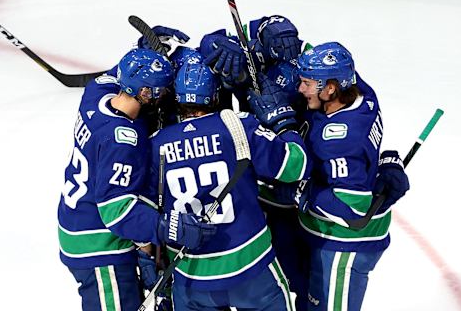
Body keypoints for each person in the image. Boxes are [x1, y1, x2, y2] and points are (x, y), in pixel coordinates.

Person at [141, 61, 312, 310]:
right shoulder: (238, 125)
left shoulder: (155, 144)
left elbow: (146, 209)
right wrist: (283, 122)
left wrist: (147, 256)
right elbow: (295, 166)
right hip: (251, 269)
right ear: (215, 96)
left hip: (191, 278)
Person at [57, 48, 216, 311]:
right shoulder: (122, 141)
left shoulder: (95, 95)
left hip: (76, 223)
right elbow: (117, 211)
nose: (166, 96)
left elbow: (109, 75)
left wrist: (146, 49)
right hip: (98, 246)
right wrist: (169, 227)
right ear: (145, 92)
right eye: (162, 90)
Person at [294, 42, 409, 310]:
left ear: (330, 88)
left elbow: (353, 208)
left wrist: (302, 192)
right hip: (340, 240)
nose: (300, 89)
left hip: (344, 245)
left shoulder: (338, 140)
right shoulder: (364, 95)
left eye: (307, 83)